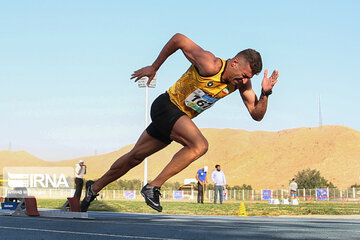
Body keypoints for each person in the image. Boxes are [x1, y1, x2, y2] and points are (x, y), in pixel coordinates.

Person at [80, 33, 279, 212]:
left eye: (248, 78)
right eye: (244, 75)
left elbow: (256, 114)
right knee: (199, 145)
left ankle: (93, 188)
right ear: (235, 62)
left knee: (135, 157)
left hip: (176, 120)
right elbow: (178, 39)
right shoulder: (210, 63)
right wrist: (154, 67)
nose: (244, 81)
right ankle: (153, 187)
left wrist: (265, 93)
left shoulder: (241, 84)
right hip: (166, 106)